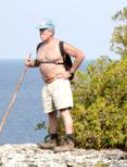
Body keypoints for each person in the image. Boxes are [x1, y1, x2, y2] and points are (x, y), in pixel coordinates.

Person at [25, 19, 85, 151]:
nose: (40, 33)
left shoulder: (61, 45)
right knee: (51, 113)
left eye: (43, 30)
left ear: (51, 32)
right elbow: (41, 62)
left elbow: (80, 55)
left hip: (59, 82)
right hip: (47, 85)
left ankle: (69, 142)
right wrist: (31, 63)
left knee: (64, 111)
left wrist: (70, 72)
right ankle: (53, 140)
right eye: (40, 30)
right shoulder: (40, 47)